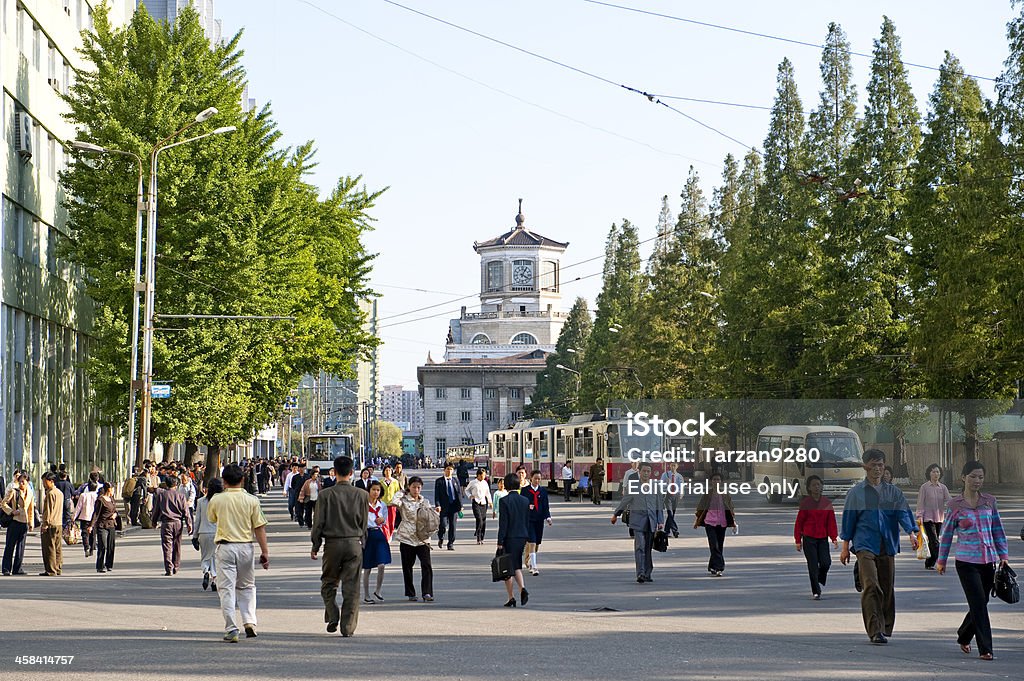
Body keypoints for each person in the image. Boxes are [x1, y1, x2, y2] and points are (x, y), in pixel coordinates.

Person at [839, 448, 918, 645]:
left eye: (880, 465)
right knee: (871, 585)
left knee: (886, 587)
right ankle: (875, 630)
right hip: (864, 544)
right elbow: (848, 520)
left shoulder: (893, 492)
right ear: (865, 467)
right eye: (873, 465)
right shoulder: (856, 493)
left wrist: (911, 532)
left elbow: (903, 513)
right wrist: (845, 546)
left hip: (888, 544)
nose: (877, 469)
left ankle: (885, 626)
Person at [935, 461, 1010, 661]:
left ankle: (964, 634)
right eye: (973, 476)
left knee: (982, 602)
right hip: (966, 562)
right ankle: (986, 648)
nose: (977, 481)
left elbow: (997, 530)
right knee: (978, 602)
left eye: (980, 477)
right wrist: (941, 561)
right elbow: (947, 534)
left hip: (988, 561)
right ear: (963, 477)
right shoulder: (954, 505)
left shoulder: (989, 501)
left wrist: (1003, 555)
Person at [207, 464, 269, 643]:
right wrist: (265, 552)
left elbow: (212, 519)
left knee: (226, 589)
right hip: (246, 547)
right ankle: (249, 621)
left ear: (224, 481)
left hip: (225, 547)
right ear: (242, 480)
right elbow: (259, 527)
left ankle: (232, 628)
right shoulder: (252, 500)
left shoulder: (217, 500)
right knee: (247, 587)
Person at [311, 456, 368, 637]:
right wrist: (362, 543)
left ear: (334, 472)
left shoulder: (325, 495)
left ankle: (333, 613)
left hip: (332, 544)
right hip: (353, 543)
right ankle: (348, 627)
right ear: (352, 473)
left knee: (328, 582)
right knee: (352, 587)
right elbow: (364, 523)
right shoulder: (362, 495)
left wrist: (315, 544)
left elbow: (318, 522)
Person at [612, 462, 665, 583]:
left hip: (651, 521)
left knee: (648, 548)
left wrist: (661, 521)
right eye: (644, 471)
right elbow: (625, 501)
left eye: (648, 471)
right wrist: (616, 514)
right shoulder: (634, 487)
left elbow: (659, 505)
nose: (646, 473)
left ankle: (647, 573)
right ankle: (640, 573)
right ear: (639, 472)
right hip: (638, 522)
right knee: (640, 547)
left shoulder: (655, 487)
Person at [390, 476, 435, 602]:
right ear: (409, 487)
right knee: (407, 566)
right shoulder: (403, 500)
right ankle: (410, 592)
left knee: (426, 565)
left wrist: (435, 511)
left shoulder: (424, 501)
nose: (416, 490)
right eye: (414, 487)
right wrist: (402, 492)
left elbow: (430, 516)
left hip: (422, 538)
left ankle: (427, 592)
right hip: (407, 537)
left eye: (418, 487)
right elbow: (394, 501)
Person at [794, 475, 838, 600]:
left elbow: (831, 522)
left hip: (822, 538)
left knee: (826, 563)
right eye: (813, 485)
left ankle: (820, 578)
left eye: (818, 484)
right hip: (809, 539)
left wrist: (834, 537)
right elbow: (799, 523)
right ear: (809, 487)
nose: (816, 487)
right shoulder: (806, 503)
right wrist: (798, 540)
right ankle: (816, 590)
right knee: (812, 565)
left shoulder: (826, 503)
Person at [694, 470, 737, 577]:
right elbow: (700, 508)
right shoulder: (707, 494)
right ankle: (719, 567)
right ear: (711, 481)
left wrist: (734, 522)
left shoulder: (725, 495)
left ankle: (712, 566)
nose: (716, 481)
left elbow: (731, 509)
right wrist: (697, 521)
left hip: (722, 523)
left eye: (718, 479)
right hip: (710, 522)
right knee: (714, 545)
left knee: (719, 545)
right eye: (714, 479)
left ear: (721, 482)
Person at [497, 473, 530, 607]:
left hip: (509, 537)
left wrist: (500, 542)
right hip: (522, 536)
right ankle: (522, 588)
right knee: (516, 564)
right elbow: (527, 520)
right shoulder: (525, 501)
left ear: (506, 485)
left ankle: (511, 597)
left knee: (507, 568)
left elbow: (503, 524)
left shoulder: (504, 501)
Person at [151, 475, 193, 576]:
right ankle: (176, 566)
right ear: (176, 484)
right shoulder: (181, 496)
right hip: (178, 523)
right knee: (177, 545)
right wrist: (189, 524)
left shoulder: (162, 495)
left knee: (167, 546)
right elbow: (186, 512)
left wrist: (154, 521)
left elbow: (156, 510)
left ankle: (169, 568)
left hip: (166, 523)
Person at [916, 463, 952, 571]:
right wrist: (919, 516)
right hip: (927, 518)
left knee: (934, 542)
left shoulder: (943, 488)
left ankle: (929, 563)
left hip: (939, 518)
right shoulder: (925, 487)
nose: (936, 474)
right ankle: (938, 560)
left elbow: (949, 500)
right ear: (929, 473)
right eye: (933, 472)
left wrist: (959, 504)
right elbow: (920, 503)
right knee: (934, 542)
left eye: (937, 472)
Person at [362, 480, 391, 605]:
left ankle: (378, 590)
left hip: (378, 534)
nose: (375, 492)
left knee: (382, 564)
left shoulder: (382, 505)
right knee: (367, 567)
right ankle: (366, 595)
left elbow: (385, 520)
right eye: (373, 489)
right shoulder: (363, 504)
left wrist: (382, 520)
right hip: (367, 535)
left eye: (378, 490)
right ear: (369, 490)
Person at [193, 478, 224, 591]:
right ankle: (214, 579)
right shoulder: (222, 501)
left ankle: (206, 571)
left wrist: (195, 536)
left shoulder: (201, 501)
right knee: (215, 557)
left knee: (205, 556)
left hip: (204, 532)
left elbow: (198, 520)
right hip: (218, 533)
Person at [1, 474, 34, 575]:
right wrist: (11, 511)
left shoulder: (30, 493)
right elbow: (3, 503)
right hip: (14, 521)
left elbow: (30, 509)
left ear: (27, 482)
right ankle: (6, 568)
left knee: (21, 547)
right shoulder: (14, 491)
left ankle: (17, 568)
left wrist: (31, 522)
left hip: (24, 522)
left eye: (23, 482)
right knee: (10, 546)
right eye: (20, 481)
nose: (21, 483)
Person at [521, 471, 553, 576]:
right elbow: (521, 504)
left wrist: (548, 517)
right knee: (532, 542)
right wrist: (527, 506)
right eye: (535, 478)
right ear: (531, 479)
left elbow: (545, 506)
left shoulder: (543, 491)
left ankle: (528, 560)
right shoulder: (525, 491)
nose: (537, 481)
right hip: (529, 520)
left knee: (537, 543)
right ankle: (534, 566)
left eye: (539, 479)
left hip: (539, 520)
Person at [87, 482, 119, 573]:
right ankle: (100, 566)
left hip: (111, 524)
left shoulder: (112, 499)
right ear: (109, 489)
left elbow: (115, 510)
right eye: (112, 489)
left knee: (111, 546)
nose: (113, 491)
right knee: (103, 546)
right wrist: (91, 525)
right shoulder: (100, 500)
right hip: (102, 525)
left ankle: (109, 564)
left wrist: (115, 515)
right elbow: (96, 514)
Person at [39, 473, 64, 576]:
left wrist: (45, 524)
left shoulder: (50, 493)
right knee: (58, 547)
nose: (44, 484)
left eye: (45, 482)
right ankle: (58, 568)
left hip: (51, 524)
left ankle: (50, 569)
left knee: (49, 548)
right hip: (59, 522)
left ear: (51, 481)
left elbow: (48, 511)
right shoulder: (59, 492)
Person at [434, 464, 462, 550]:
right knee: (443, 525)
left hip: (454, 507)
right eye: (447, 469)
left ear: (453, 471)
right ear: (444, 470)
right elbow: (437, 495)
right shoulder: (439, 481)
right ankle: (441, 537)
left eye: (451, 469)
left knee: (453, 526)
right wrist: (438, 505)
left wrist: (460, 506)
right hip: (443, 507)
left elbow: (459, 494)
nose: (449, 471)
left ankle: (450, 543)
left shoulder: (455, 480)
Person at [73, 481, 100, 558]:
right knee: (93, 533)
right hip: (94, 518)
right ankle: (92, 548)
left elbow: (78, 507)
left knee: (85, 533)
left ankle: (86, 547)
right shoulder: (97, 496)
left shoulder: (83, 495)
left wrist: (74, 517)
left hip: (84, 517)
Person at [465, 468, 492, 544]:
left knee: (483, 521)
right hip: (476, 502)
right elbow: (466, 490)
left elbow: (488, 493)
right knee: (479, 519)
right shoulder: (473, 482)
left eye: (485, 475)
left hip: (483, 503)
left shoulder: (485, 483)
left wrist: (490, 502)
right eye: (483, 475)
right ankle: (478, 535)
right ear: (479, 475)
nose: (484, 477)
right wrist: (470, 496)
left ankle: (481, 537)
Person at [661, 462, 684, 538]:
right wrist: (666, 484)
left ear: (677, 466)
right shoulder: (665, 474)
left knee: (672, 514)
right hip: (668, 495)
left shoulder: (679, 476)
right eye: (672, 465)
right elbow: (661, 484)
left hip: (676, 495)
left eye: (674, 465)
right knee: (670, 513)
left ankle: (667, 531)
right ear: (670, 466)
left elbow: (681, 485)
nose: (673, 467)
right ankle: (675, 530)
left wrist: (681, 494)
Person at [379, 466, 401, 535]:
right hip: (383, 504)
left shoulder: (395, 482)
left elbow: (398, 493)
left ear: (391, 472)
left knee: (391, 522)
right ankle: (386, 536)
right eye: (386, 470)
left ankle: (390, 534)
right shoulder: (381, 482)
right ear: (384, 472)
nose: (388, 472)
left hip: (392, 505)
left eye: (389, 470)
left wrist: (397, 503)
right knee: (385, 522)